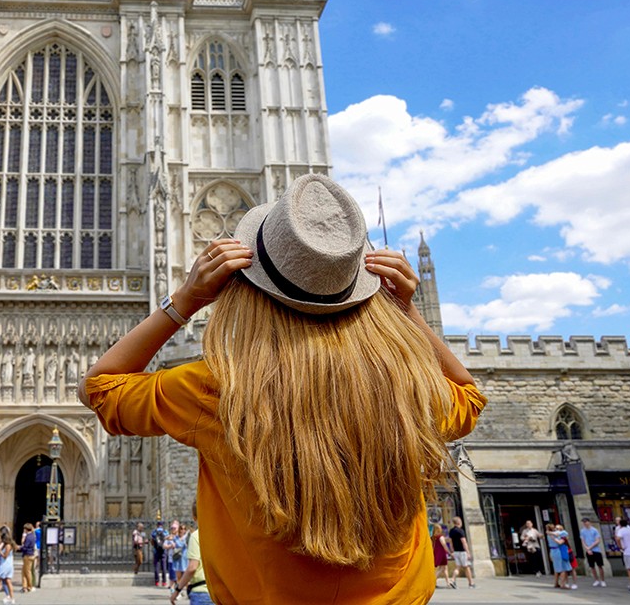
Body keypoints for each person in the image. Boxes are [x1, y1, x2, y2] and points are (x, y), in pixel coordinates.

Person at [82, 174, 486, 605]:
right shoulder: (404, 390)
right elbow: (470, 396)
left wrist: (184, 300)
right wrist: (407, 313)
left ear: (250, 286)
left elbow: (101, 388)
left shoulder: (218, 391)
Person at [169, 510, 211, 605]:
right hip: (220, 592)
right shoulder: (221, 534)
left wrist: (177, 591)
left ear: (194, 517)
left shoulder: (196, 536)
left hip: (202, 592)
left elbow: (192, 567)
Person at [446, 517, 475, 589]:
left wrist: (452, 550)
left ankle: (453, 580)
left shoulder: (451, 531)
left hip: (456, 552)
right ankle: (471, 583)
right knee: (466, 567)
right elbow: (464, 542)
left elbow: (450, 541)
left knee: (458, 567)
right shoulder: (460, 531)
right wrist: (468, 552)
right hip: (462, 552)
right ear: (459, 522)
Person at [579, 519, 606, 587]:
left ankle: (602, 580)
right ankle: (596, 580)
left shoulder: (594, 530)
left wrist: (590, 547)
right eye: (584, 522)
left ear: (589, 522)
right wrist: (587, 549)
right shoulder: (582, 531)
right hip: (588, 550)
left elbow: (597, 541)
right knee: (592, 566)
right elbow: (583, 541)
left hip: (596, 550)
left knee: (600, 565)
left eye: (586, 522)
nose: (585, 523)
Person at [550, 523, 575, 590]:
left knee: (563, 568)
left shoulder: (563, 536)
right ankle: (559, 584)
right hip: (558, 553)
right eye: (556, 528)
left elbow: (560, 542)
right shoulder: (554, 535)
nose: (556, 530)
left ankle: (561, 583)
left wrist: (553, 537)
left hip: (563, 552)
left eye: (558, 529)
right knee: (560, 569)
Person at [16, 525, 36, 594]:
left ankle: (29, 586)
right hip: (30, 555)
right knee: (24, 571)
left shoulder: (28, 537)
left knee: (27, 572)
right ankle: (24, 587)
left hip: (28, 555)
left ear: (26, 529)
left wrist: (19, 548)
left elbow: (26, 547)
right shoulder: (32, 536)